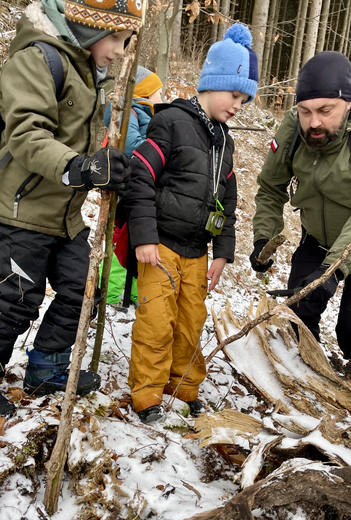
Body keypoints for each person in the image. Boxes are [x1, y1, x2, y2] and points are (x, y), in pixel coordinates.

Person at [0, 0, 142, 417]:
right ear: (85, 27)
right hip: (22, 210)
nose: (119, 49)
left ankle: (47, 367)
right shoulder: (38, 58)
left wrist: (105, 169)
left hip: (64, 216)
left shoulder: (86, 72)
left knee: (85, 286)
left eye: (126, 39)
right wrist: (80, 168)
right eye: (114, 37)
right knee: (14, 299)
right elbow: (27, 135)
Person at [125, 23, 258, 423]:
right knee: (155, 321)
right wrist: (143, 237)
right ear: (211, 83)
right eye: (234, 94)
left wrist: (223, 253)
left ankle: (182, 386)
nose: (237, 105)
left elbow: (229, 199)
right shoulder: (170, 122)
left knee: (190, 321)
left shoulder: (225, 140)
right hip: (161, 245)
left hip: (197, 251)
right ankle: (146, 395)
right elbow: (140, 175)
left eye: (244, 100)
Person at [250, 51, 351, 358]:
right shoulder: (294, 128)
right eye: (305, 111)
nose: (314, 122)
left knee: (349, 334)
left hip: (345, 242)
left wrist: (330, 271)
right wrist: (262, 239)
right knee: (298, 315)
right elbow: (270, 187)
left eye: (325, 110)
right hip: (318, 240)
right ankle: (309, 372)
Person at [101, 66, 163, 307]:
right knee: (118, 243)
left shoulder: (144, 114)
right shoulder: (132, 113)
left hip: (134, 188)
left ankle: (132, 289)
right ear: (144, 94)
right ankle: (114, 290)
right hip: (124, 190)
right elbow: (131, 147)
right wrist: (157, 146)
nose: (162, 97)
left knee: (132, 241)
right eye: (158, 92)